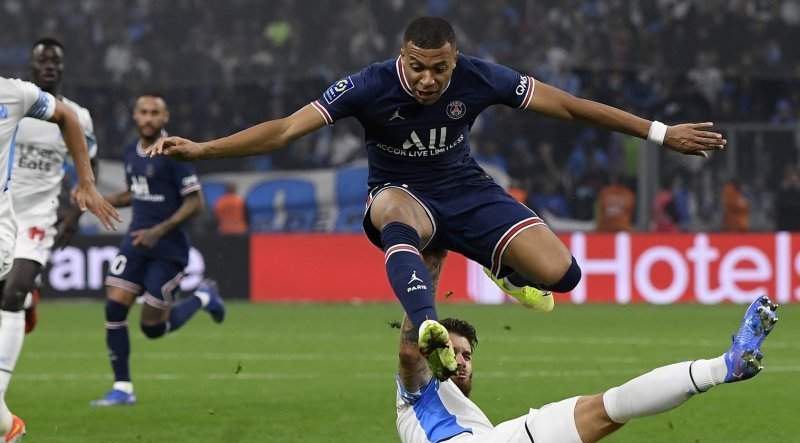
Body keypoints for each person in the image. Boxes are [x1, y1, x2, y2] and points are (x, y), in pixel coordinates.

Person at [150, 16, 726, 378]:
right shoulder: (366, 85)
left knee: (564, 276)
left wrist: (660, 132)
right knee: (397, 219)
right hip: (400, 193)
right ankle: (430, 325)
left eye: (439, 70)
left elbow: (572, 106)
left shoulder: (481, 76)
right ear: (403, 58)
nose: (428, 80)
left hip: (465, 189)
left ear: (455, 61)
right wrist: (202, 151)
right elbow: (281, 130)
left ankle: (495, 264)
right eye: (418, 68)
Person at [396, 252, 779, 443]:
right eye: (450, 350)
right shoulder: (417, 392)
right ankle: (724, 367)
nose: (459, 361)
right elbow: (411, 354)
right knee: (608, 409)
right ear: (433, 347)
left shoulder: (464, 424)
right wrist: (434, 249)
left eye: (466, 355)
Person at [0, 66, 119, 443]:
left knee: (11, 294)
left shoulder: (14, 95)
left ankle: (22, 296)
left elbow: (67, 117)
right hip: (14, 208)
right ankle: (7, 426)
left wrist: (84, 185)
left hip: (20, 219)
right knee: (12, 296)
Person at [88, 93, 226, 407]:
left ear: (165, 118)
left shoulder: (175, 153)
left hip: (169, 249)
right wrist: (97, 200)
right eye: (143, 112)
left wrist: (158, 231)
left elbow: (196, 203)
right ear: (134, 116)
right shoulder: (130, 151)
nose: (148, 118)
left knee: (152, 328)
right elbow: (135, 193)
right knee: (113, 308)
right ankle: (122, 388)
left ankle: (204, 296)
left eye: (155, 113)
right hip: (137, 242)